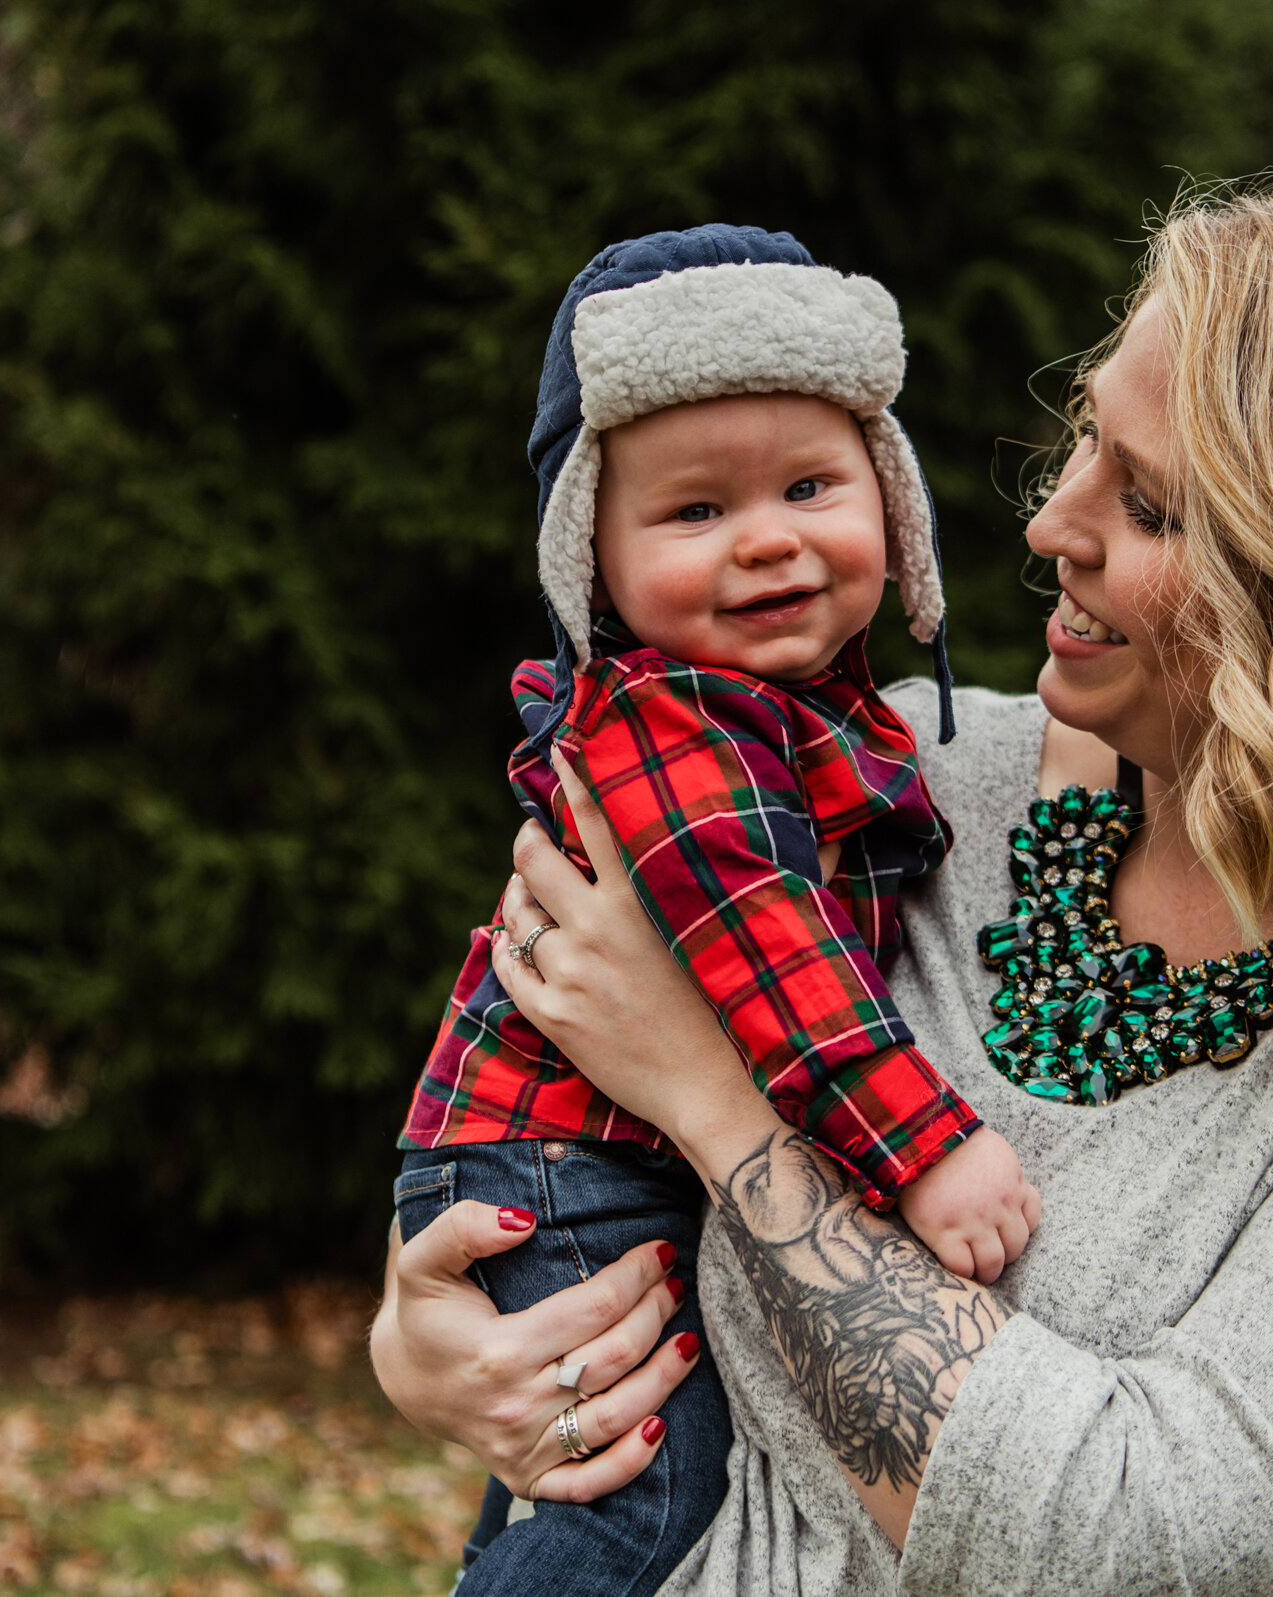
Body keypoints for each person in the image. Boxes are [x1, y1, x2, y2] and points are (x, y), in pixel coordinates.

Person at [371, 173, 1273, 1596]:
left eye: (1145, 503)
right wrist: (426, 1338)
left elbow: (1132, 1543)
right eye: (1087, 441)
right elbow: (539, 1085)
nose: (1048, 524)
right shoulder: (893, 768)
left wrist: (716, 1105)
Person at [391, 224, 1043, 1593]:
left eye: (812, 485)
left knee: (590, 1472)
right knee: (639, 1495)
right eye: (694, 513)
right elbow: (770, 948)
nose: (767, 541)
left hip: (570, 1158)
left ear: (894, 504)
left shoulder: (822, 724)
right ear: (596, 568)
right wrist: (924, 1150)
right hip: (561, 1166)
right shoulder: (675, 721)